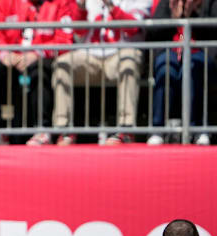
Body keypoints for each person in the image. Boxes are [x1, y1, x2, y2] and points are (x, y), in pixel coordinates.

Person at [52, 0, 150, 145]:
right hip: (91, 56)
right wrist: (81, 8)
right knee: (62, 64)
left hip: (120, 54)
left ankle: (126, 129)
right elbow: (78, 32)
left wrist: (111, 6)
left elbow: (134, 28)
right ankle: (64, 129)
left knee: (129, 61)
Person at [0, 0, 76, 145]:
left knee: (39, 71)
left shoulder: (61, 3)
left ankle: (42, 130)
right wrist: (4, 54)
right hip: (13, 57)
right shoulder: (6, 2)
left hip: (43, 57)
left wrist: (37, 53)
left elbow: (65, 39)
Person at [146, 0, 217, 145]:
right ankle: (158, 128)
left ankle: (197, 129)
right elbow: (153, 31)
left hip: (200, 50)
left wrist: (193, 15)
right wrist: (173, 19)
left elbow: (213, 30)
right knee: (165, 67)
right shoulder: (167, 2)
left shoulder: (209, 3)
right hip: (171, 50)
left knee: (192, 67)